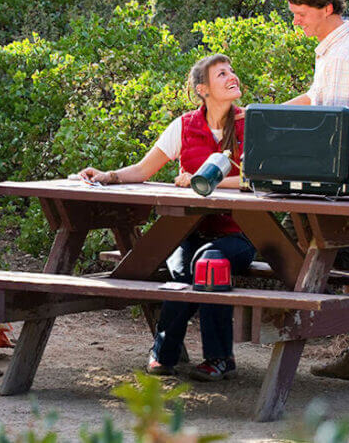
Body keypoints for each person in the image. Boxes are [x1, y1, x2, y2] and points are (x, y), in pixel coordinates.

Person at [77, 54, 256, 382]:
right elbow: (143, 170)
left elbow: (258, 180)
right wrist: (107, 175)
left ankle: (219, 359)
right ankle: (164, 352)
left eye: (232, 71)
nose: (232, 77)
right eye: (222, 74)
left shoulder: (253, 124)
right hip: (187, 232)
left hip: (239, 235)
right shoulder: (184, 126)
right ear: (202, 89)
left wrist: (205, 181)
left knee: (210, 263)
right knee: (181, 272)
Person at [283, 0, 349, 382]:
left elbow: (334, 126)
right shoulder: (334, 48)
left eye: (301, 14)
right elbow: (316, 98)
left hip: (342, 181)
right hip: (346, 179)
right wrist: (266, 114)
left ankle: (294, 332)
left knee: (301, 248)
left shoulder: (342, 54)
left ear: (326, 8)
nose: (296, 22)